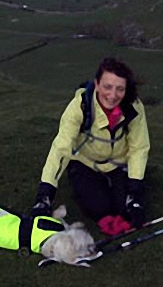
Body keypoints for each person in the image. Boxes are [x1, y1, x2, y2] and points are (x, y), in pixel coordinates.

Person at [31, 57, 150, 235]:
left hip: (119, 163)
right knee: (100, 209)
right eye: (107, 87)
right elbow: (61, 148)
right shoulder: (80, 106)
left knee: (127, 211)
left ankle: (125, 189)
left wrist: (135, 192)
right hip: (85, 163)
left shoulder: (134, 107)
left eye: (120, 89)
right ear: (97, 84)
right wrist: (45, 195)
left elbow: (139, 148)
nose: (112, 95)